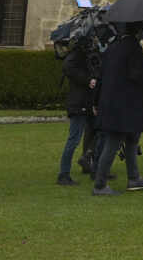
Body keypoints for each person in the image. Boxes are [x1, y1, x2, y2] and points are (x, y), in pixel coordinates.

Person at [92, 20, 143, 196]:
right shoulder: (132, 47)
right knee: (113, 143)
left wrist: (96, 101)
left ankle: (134, 178)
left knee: (132, 139)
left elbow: (102, 76)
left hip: (113, 102)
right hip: (124, 105)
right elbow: (135, 75)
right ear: (139, 30)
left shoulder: (113, 47)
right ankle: (100, 185)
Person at [57, 44, 99, 186]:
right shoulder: (76, 55)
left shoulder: (83, 55)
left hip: (84, 104)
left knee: (99, 132)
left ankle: (93, 166)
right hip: (78, 105)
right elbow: (68, 68)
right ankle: (63, 174)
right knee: (74, 139)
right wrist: (88, 80)